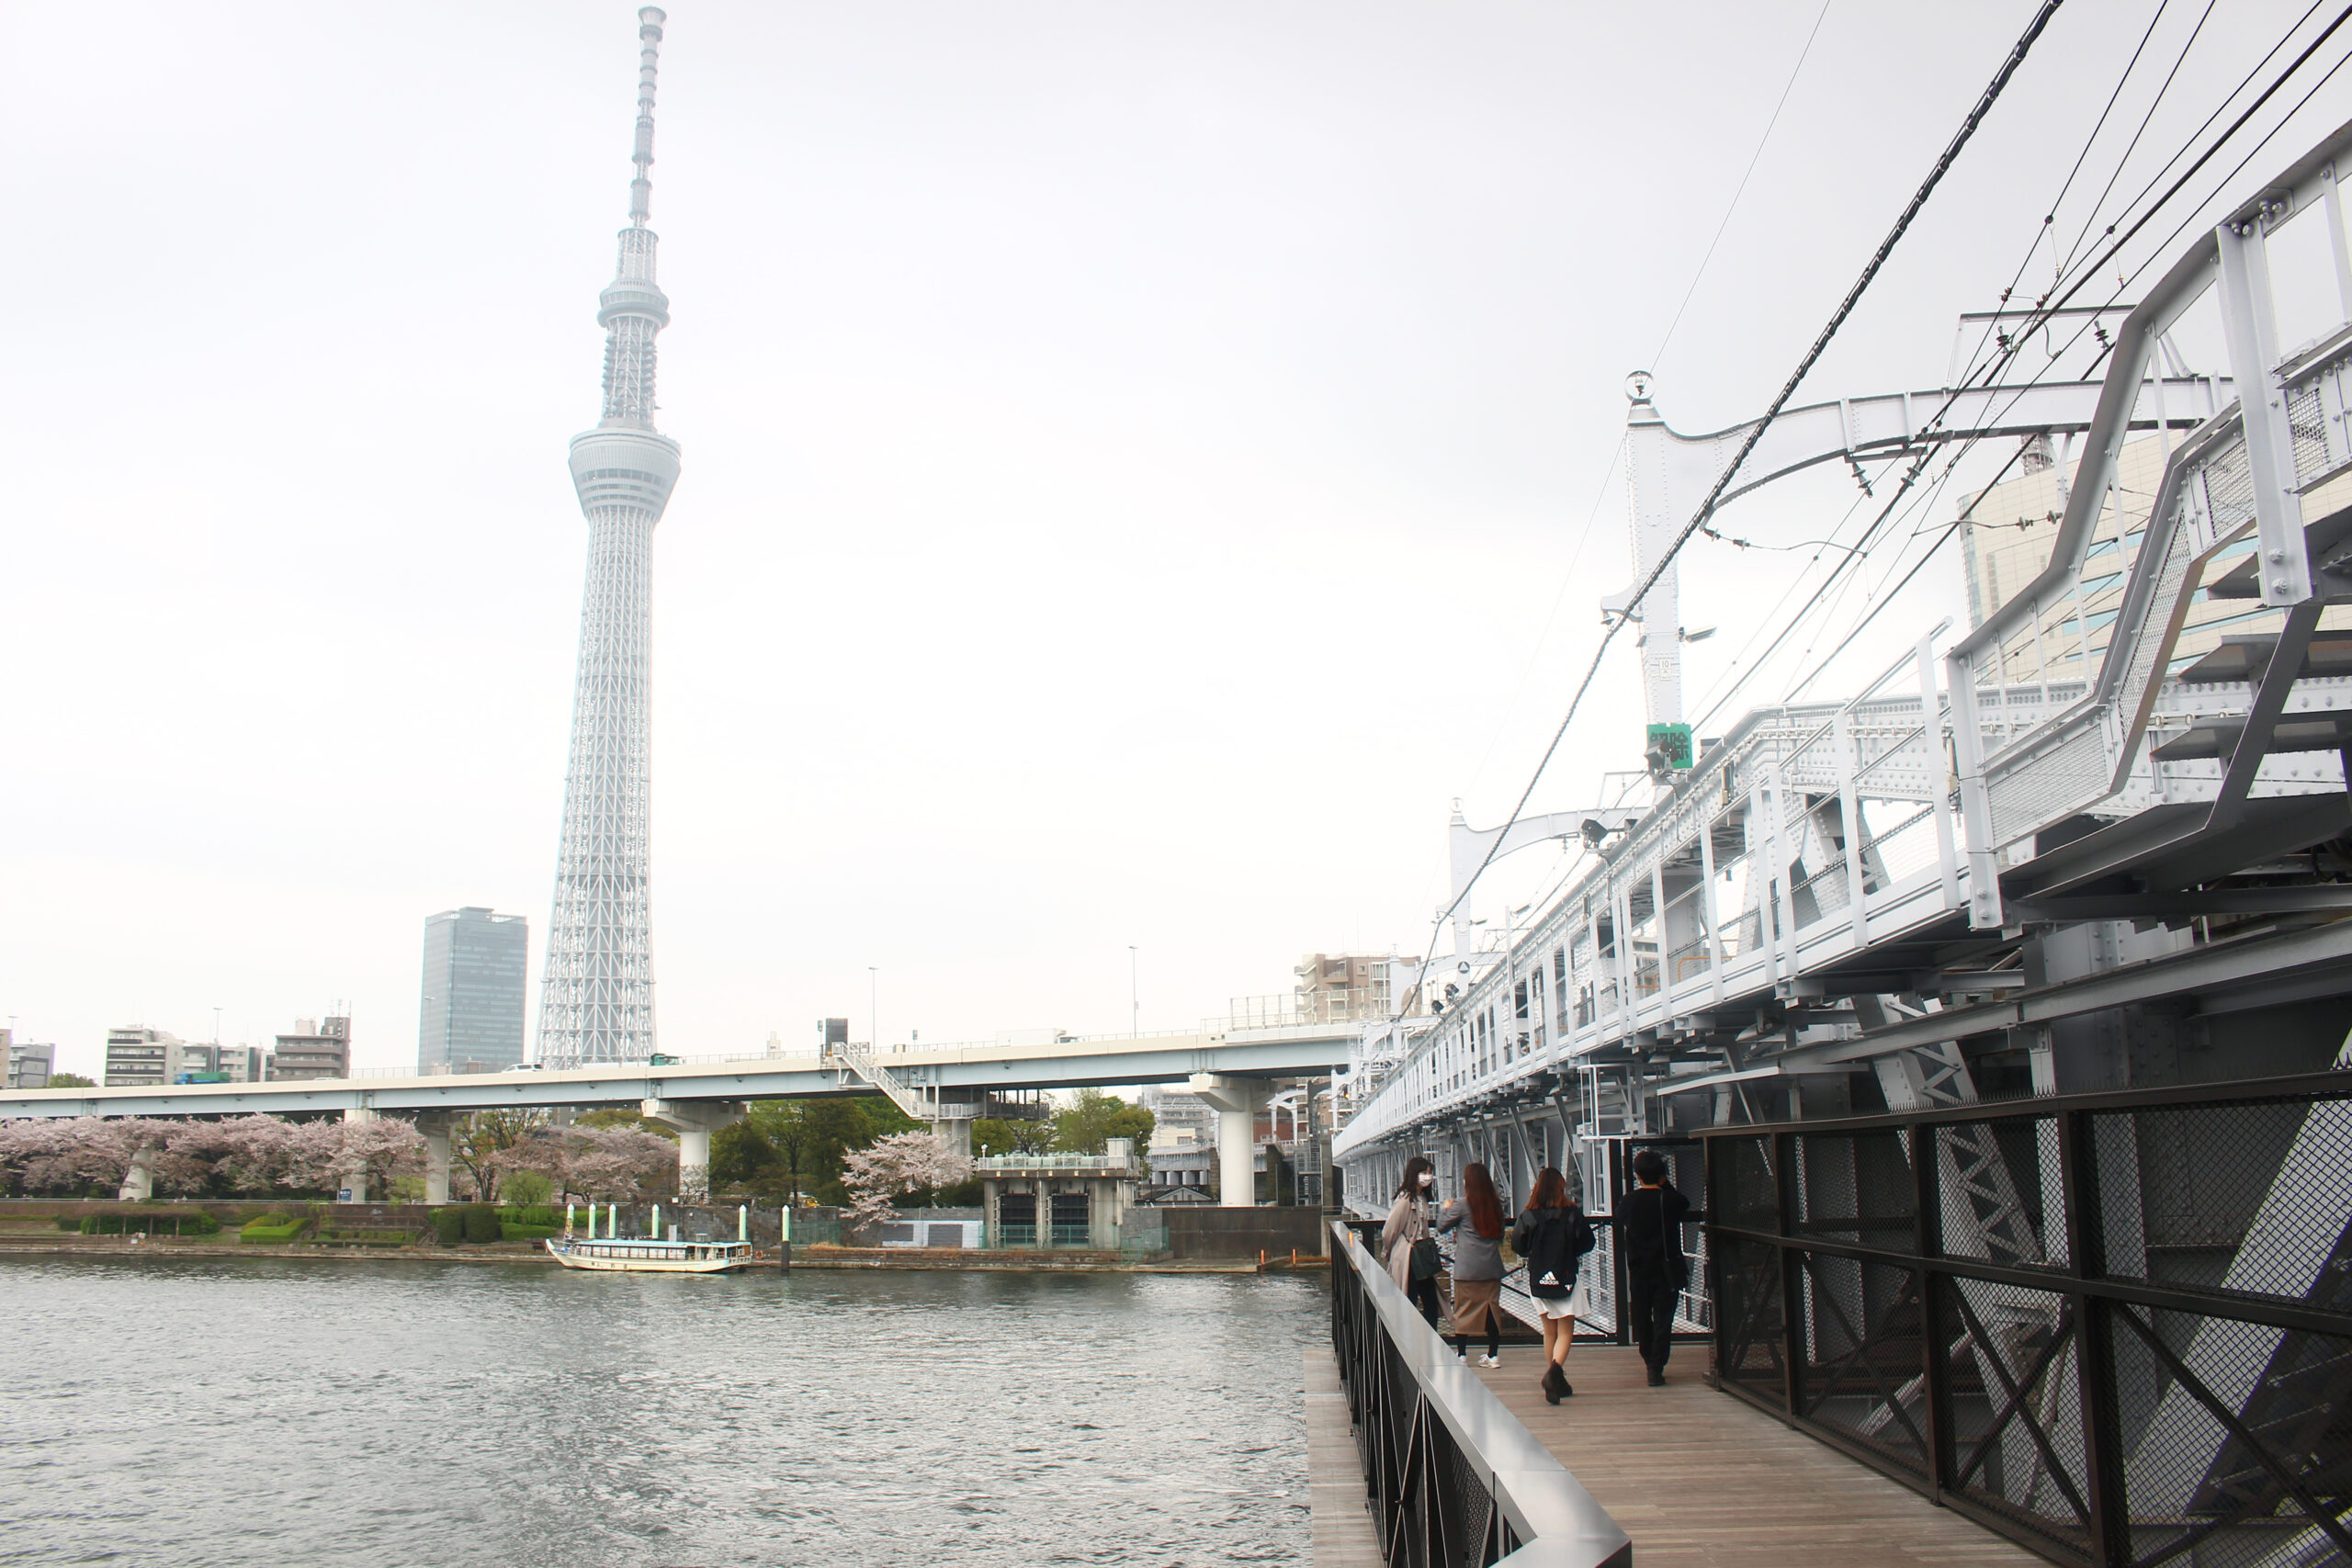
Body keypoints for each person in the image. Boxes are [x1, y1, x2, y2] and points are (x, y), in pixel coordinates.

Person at [1509, 1166, 1594, 1404]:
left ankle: (1554, 1380)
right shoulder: (1571, 1213)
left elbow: (1517, 1244)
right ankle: (1554, 1377)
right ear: (1560, 1187)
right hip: (1565, 1275)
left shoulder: (1528, 1215)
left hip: (1538, 1277)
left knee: (1549, 1331)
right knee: (1566, 1331)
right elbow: (1588, 1241)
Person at [1621, 1147, 1695, 1386]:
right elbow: (1684, 1202)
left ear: (1637, 1175)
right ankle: (1656, 1365)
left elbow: (1620, 1217)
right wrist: (1665, 1184)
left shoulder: (1629, 1202)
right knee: (1664, 1318)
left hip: (1639, 1269)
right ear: (1662, 1174)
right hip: (1666, 1268)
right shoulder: (1670, 1200)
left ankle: (1648, 1358)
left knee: (1642, 1317)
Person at [1436, 1162, 1506, 1367]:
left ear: (1468, 1183)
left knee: (1463, 1309)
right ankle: (1493, 1356)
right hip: (1492, 1267)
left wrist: (1445, 1209)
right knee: (1492, 1309)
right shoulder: (1496, 1204)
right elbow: (1500, 1234)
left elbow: (1441, 1226)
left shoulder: (1461, 1204)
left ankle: (1462, 1355)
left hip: (1467, 1267)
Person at [1378, 1155, 1443, 1329]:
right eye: (1424, 1173)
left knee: (1429, 1300)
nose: (1427, 1177)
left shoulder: (1421, 1199)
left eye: (1430, 1174)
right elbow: (1389, 1230)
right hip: (1409, 1256)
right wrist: (1387, 1251)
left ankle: (1427, 1340)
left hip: (1420, 1256)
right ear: (1414, 1174)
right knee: (1412, 1298)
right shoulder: (1405, 1200)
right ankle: (1411, 1341)